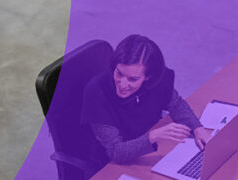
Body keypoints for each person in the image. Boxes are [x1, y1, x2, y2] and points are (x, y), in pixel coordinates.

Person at [81, 34, 209, 167]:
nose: (122, 84)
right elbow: (115, 151)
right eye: (119, 73)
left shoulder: (157, 79)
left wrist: (197, 128)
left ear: (148, 77)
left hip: (145, 146)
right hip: (110, 165)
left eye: (133, 79)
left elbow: (176, 104)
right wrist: (153, 136)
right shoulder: (97, 92)